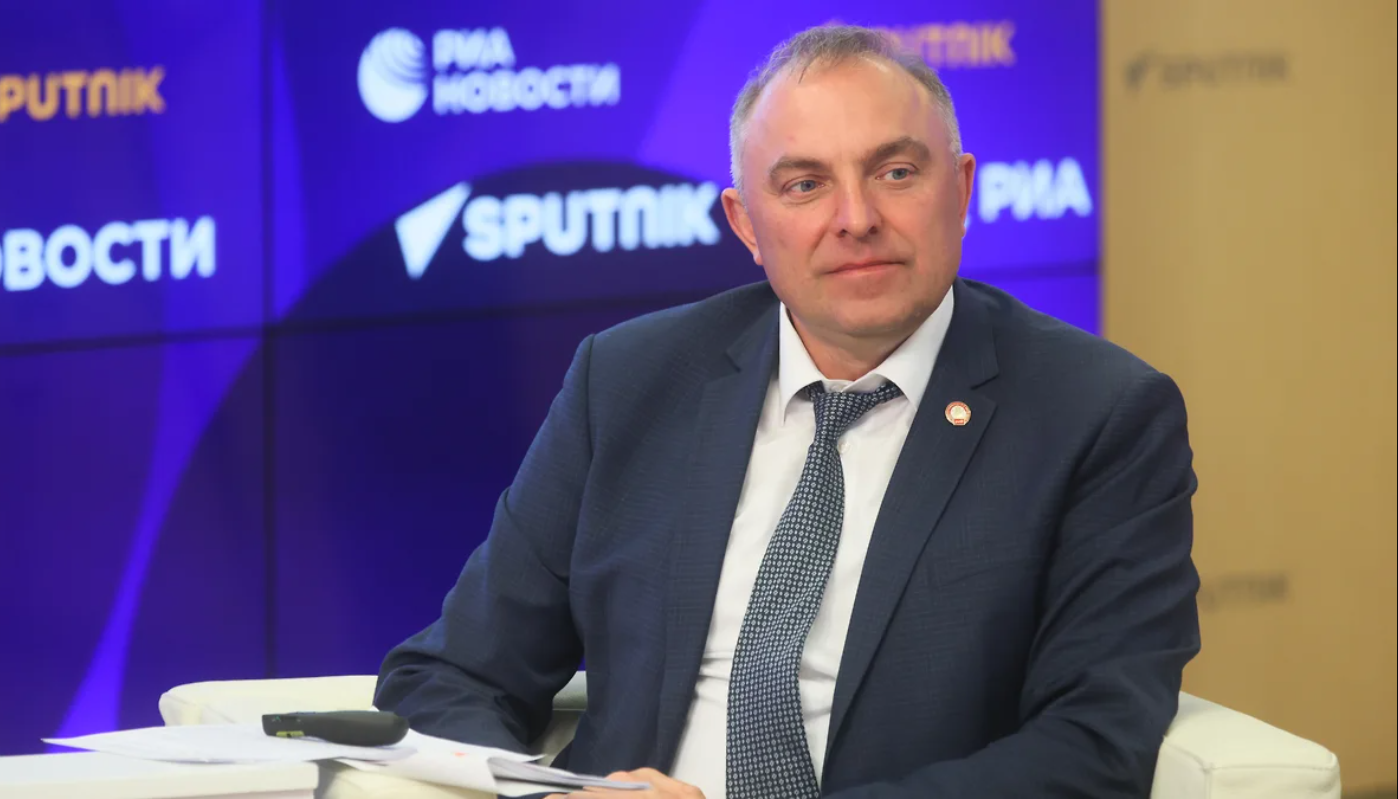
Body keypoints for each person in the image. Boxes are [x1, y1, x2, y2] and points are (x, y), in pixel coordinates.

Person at [374, 23, 1200, 799]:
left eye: (896, 172)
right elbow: (451, 674)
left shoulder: (1098, 415)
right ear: (747, 224)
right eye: (805, 185)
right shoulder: (627, 379)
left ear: (961, 188)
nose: (857, 219)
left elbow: (1093, 741)